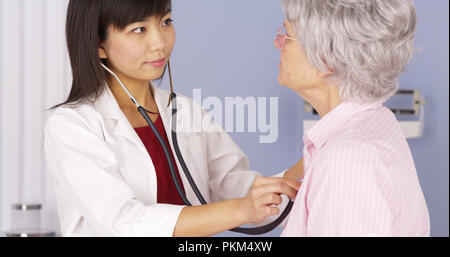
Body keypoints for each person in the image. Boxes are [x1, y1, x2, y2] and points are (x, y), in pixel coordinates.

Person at [43, 0, 303, 237]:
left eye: (165, 22)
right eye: (139, 29)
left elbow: (236, 188)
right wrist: (242, 210)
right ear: (99, 44)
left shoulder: (185, 111)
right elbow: (121, 221)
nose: (160, 43)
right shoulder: (72, 126)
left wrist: (310, 163)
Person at [275, 0, 430, 236]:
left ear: (325, 60)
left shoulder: (346, 161)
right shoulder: (374, 123)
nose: (277, 42)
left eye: (287, 34)